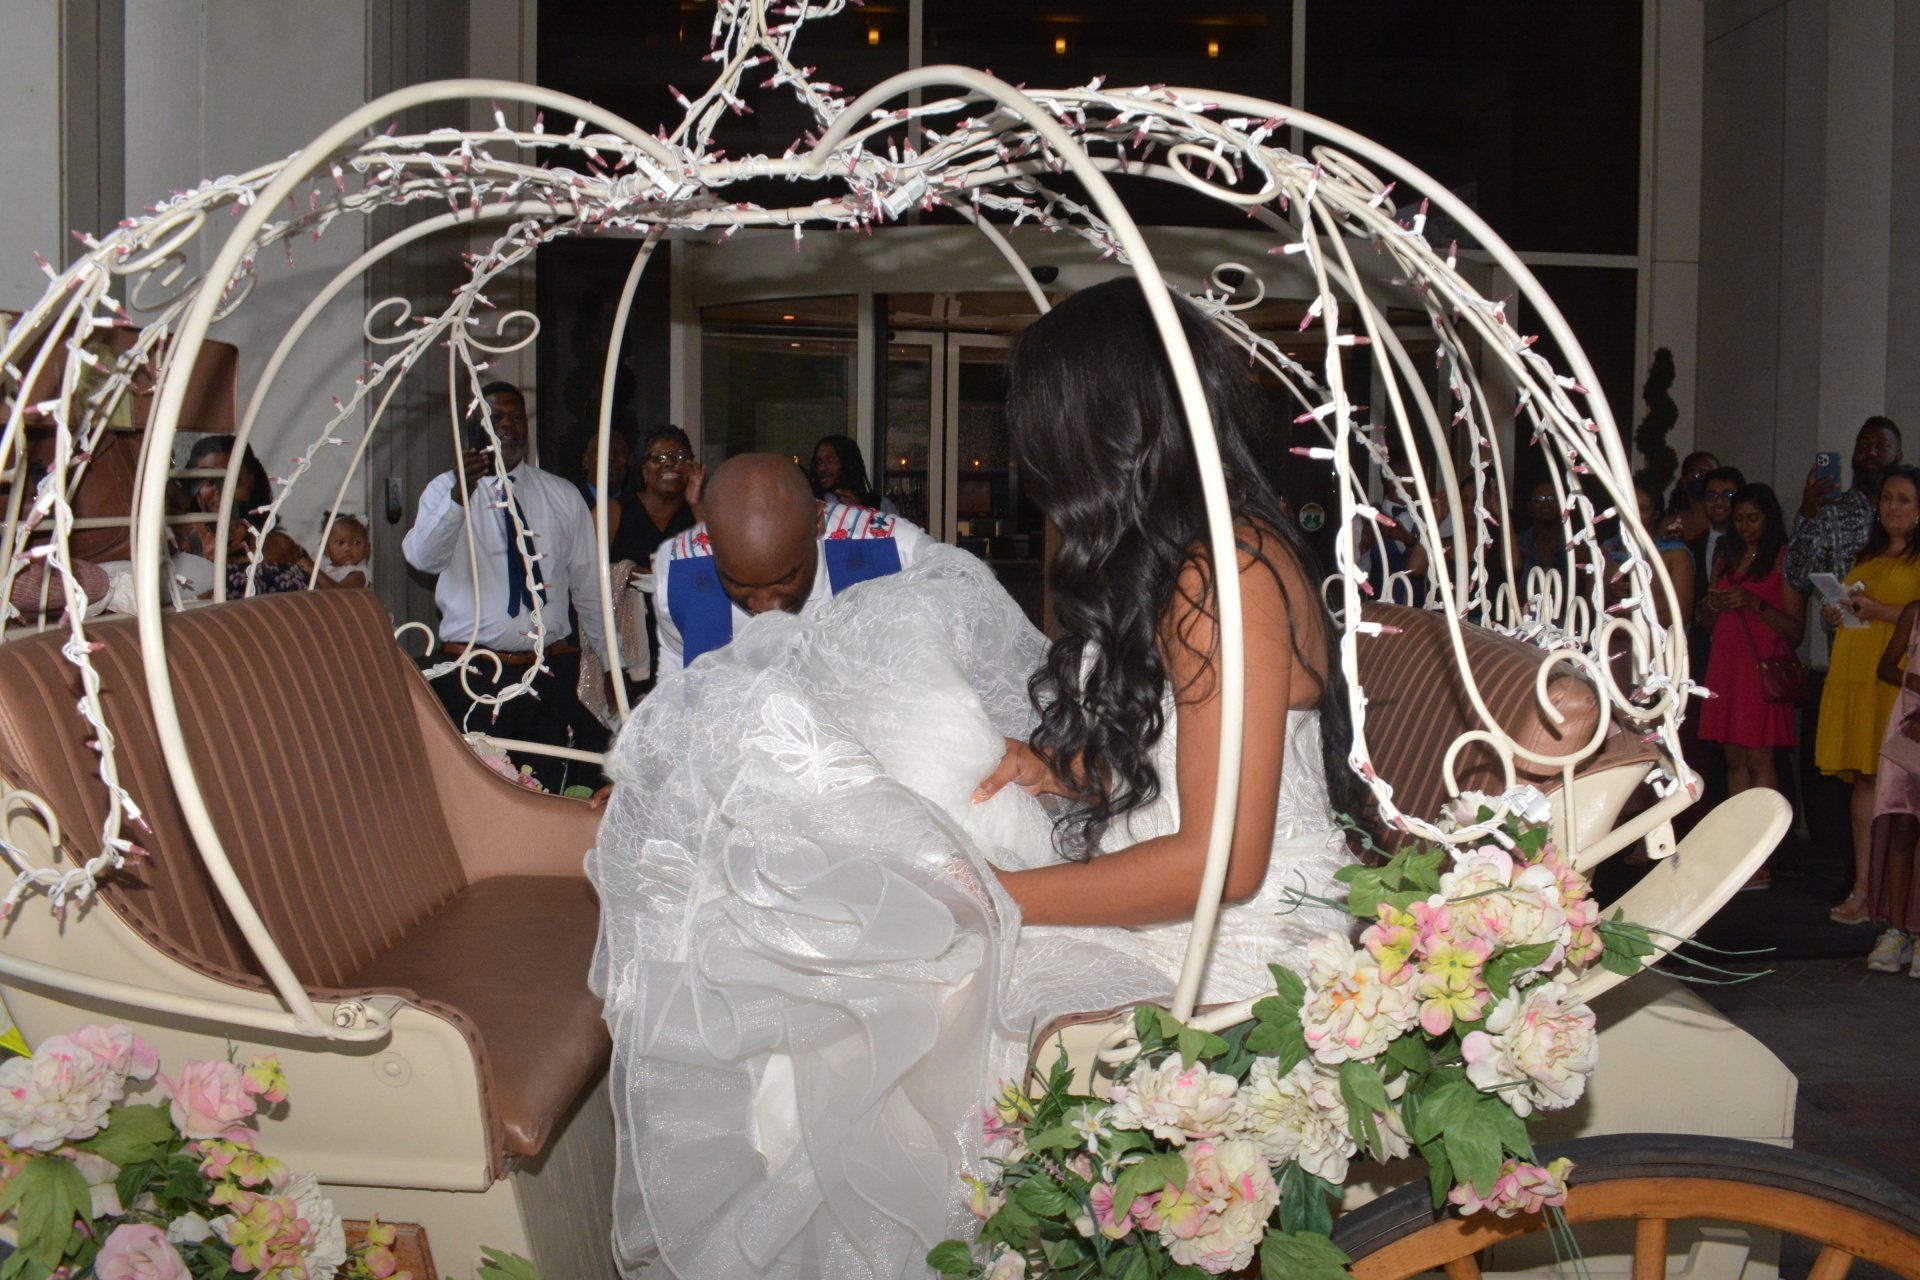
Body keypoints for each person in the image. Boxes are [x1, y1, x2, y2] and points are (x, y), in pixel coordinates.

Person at [588, 280, 1358, 1277]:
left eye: (1044, 439)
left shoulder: (1228, 575)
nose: (1036, 472)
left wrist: (1002, 896)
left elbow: (1222, 861)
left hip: (1231, 952)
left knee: (895, 1006)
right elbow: (1189, 755)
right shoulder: (1197, 559)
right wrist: (1059, 768)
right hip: (1172, 913)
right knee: (865, 967)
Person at [401, 380, 609, 790]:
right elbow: (422, 558)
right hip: (473, 675)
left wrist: (611, 668)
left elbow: (589, 591)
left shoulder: (561, 495)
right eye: (494, 417)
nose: (507, 426)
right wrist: (460, 497)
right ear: (474, 427)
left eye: (516, 417)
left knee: (552, 787)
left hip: (548, 674)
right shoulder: (445, 490)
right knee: (478, 792)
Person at [650, 452, 933, 679]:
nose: (764, 607)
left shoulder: (898, 554)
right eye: (738, 584)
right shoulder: (679, 578)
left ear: (818, 521)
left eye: (785, 580)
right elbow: (676, 674)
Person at [1816, 463, 1920, 925]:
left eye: (1904, 499)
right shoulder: (1868, 552)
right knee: (1864, 781)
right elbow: (1859, 609)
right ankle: (1863, 887)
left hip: (1897, 680)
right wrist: (1839, 611)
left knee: (1897, 788)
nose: (1892, 507)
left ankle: (1895, 899)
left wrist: (1880, 610)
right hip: (1857, 672)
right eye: (1887, 498)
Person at [1696, 484, 1805, 888]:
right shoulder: (1726, 554)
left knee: (1760, 760)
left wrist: (1752, 602)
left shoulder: (1783, 558)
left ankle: (1763, 857)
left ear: (1769, 518)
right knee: (1733, 761)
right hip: (1726, 666)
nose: (1744, 526)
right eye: (1739, 519)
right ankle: (1738, 853)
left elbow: (1795, 630)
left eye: (1752, 519)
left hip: (1759, 669)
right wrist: (1712, 604)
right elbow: (1706, 621)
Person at [1864, 600, 1920, 974]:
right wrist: (1910, 681)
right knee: (1901, 821)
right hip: (1907, 723)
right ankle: (1897, 930)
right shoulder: (1914, 613)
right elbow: (1885, 666)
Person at [809, 432, 895, 514]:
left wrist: (860, 513)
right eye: (819, 462)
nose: (821, 468)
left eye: (830, 460)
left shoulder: (881, 505)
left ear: (847, 462)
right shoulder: (811, 503)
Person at [1660, 449, 1720, 545]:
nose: (1704, 478)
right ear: (1684, 480)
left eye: (1710, 474)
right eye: (1698, 473)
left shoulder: (1723, 522)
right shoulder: (1670, 524)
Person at [309, 513, 371, 590]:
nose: (347, 549)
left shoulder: (359, 574)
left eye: (356, 543)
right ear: (326, 548)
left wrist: (313, 570)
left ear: (366, 549)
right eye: (340, 543)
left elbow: (339, 592)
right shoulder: (324, 569)